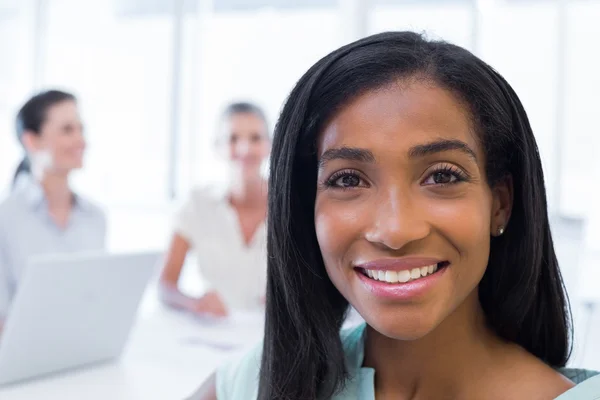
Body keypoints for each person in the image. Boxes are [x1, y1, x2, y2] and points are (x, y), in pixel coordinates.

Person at [191, 32, 600, 399]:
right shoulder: (264, 379)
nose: (395, 231)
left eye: (442, 175)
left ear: (500, 203)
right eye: (348, 180)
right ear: (306, 209)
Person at [0, 90, 107, 327]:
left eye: (81, 129)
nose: (81, 141)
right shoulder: (6, 219)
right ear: (32, 140)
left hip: (85, 349)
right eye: (68, 130)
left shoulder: (96, 218)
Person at [159, 102, 270, 318]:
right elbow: (165, 286)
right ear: (217, 146)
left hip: (275, 336)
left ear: (270, 145)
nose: (244, 149)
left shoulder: (293, 208)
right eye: (233, 138)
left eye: (255, 138)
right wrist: (194, 304)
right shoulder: (197, 205)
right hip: (214, 336)